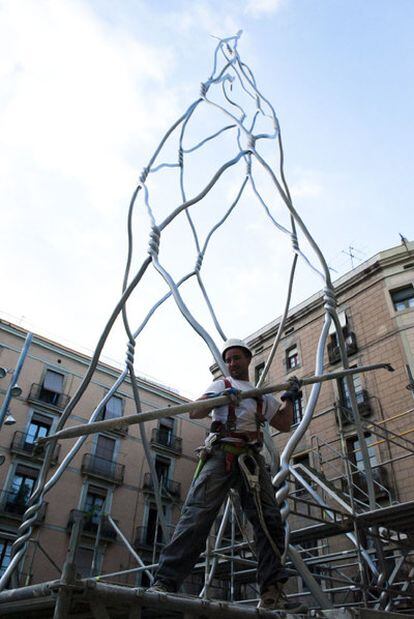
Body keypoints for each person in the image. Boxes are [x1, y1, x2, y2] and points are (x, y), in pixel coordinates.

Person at [148, 338, 303, 612]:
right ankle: (165, 582)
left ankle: (271, 594)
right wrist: (218, 400)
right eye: (228, 359)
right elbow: (195, 412)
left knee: (270, 522)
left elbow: (283, 423)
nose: (231, 364)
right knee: (196, 517)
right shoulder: (221, 385)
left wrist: (289, 398)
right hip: (221, 454)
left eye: (236, 358)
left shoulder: (259, 395)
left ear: (247, 359)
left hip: (251, 459)